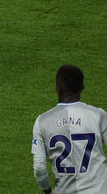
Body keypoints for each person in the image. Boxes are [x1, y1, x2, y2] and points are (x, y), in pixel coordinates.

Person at [32, 65, 107, 193]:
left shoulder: (42, 121)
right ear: (82, 88)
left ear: (57, 88)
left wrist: (47, 190)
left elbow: (39, 168)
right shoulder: (98, 115)